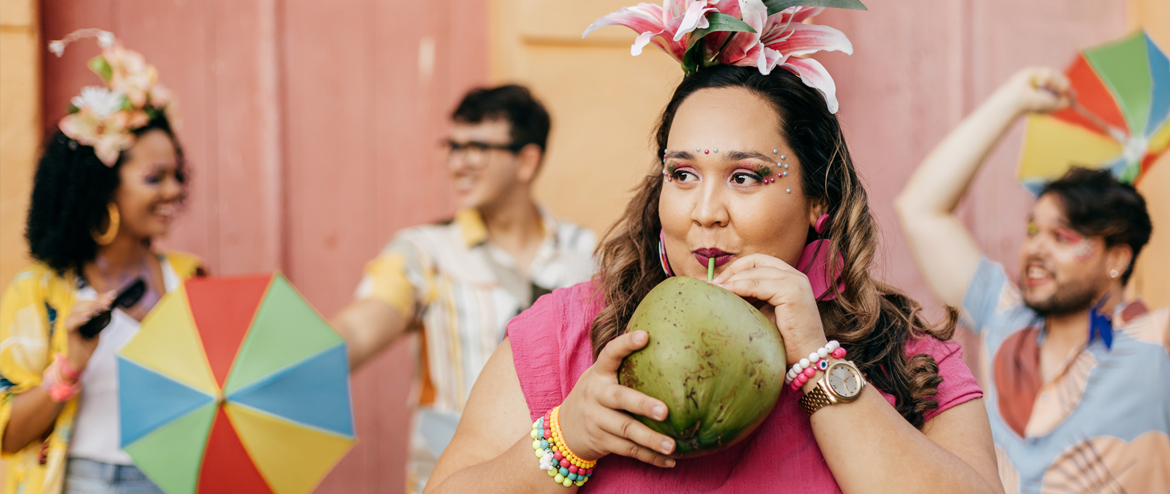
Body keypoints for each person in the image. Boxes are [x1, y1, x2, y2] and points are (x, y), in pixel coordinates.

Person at [424, 4, 1003, 493]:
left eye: (745, 177)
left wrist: (817, 364)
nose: (705, 211)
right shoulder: (569, 333)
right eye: (682, 175)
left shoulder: (906, 356)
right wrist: (566, 439)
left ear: (818, 199)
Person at [896, 67, 1168, 493]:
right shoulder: (1006, 318)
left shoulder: (1155, 344)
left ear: (1116, 257)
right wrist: (1013, 99)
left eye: (1063, 237)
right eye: (1032, 230)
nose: (1035, 249)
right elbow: (920, 210)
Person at [330, 84, 596, 493]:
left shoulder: (587, 252)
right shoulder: (423, 251)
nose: (458, 163)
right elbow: (360, 328)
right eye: (453, 147)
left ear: (527, 161)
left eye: (477, 148)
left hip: (554, 481)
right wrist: (294, 363)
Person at [0, 30, 203, 494]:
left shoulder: (191, 277)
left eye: (177, 175)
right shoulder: (39, 292)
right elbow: (7, 435)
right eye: (155, 178)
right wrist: (69, 368)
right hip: (84, 482)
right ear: (102, 186)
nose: (174, 191)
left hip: (176, 482)